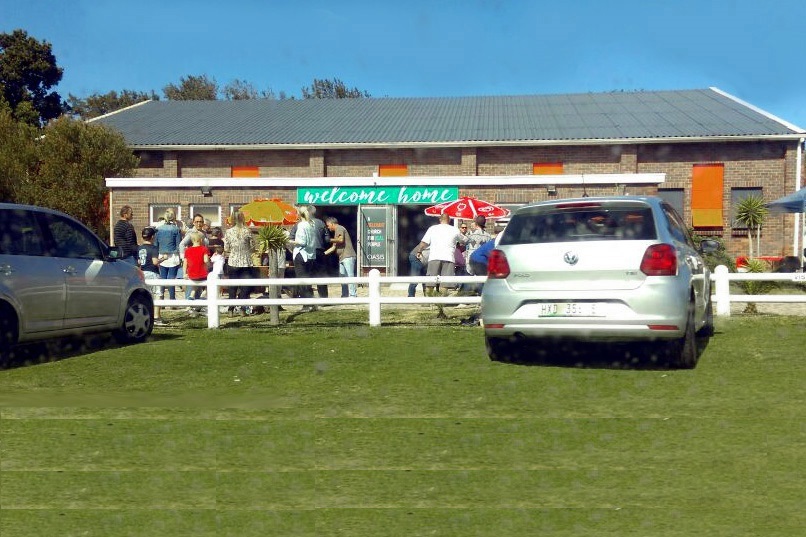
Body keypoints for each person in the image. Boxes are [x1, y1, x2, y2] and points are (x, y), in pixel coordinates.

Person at [413, 213, 466, 294]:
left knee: (430, 283)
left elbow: (424, 242)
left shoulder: (432, 228)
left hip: (434, 257)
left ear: (440, 220)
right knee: (445, 284)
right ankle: (440, 303)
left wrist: (419, 251)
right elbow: (463, 240)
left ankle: (429, 302)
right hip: (449, 258)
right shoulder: (455, 229)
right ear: (449, 220)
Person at [223, 210, 257, 316]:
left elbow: (226, 248)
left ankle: (231, 309)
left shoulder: (228, 232)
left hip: (233, 261)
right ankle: (242, 309)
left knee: (232, 287)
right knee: (245, 287)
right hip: (246, 262)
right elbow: (253, 247)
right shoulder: (247, 231)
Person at [460, 238, 496, 326]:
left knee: (485, 282)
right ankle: (486, 306)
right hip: (480, 259)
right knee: (488, 283)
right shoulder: (501, 242)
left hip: (474, 258)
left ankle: (483, 302)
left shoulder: (496, 241)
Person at [287, 205, 317, 311]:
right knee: (307, 280)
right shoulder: (311, 225)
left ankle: (306, 304)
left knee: (301, 281)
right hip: (310, 255)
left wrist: (288, 240)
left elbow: (302, 242)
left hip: (301, 254)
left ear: (299, 214)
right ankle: (312, 303)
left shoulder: (301, 225)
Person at [137, 226, 165, 326]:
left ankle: (146, 315)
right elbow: (154, 262)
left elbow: (139, 262)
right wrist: (163, 259)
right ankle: (157, 317)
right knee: (158, 294)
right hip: (153, 273)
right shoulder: (153, 248)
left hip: (143, 273)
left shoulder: (139, 248)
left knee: (146, 295)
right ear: (152, 237)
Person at [324, 216, 357, 298]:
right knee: (342, 276)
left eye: (328, 225)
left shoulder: (339, 228)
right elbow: (333, 247)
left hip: (348, 256)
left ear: (332, 223)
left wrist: (329, 239)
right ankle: (345, 294)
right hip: (342, 257)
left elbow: (341, 239)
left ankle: (353, 295)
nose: (328, 228)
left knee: (350, 276)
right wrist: (322, 254)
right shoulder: (336, 232)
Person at [179, 214, 210, 301]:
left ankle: (196, 307)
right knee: (192, 285)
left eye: (200, 221)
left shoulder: (203, 233)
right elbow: (182, 244)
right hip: (192, 261)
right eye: (197, 222)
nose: (199, 223)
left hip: (202, 262)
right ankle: (189, 306)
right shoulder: (191, 233)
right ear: (193, 222)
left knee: (199, 286)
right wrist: (183, 258)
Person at [154, 208, 182, 300]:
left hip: (161, 255)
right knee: (171, 278)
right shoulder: (176, 229)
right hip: (173, 256)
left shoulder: (158, 229)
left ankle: (160, 299)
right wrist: (181, 257)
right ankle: (172, 300)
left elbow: (156, 244)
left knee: (162, 278)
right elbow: (179, 244)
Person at [182, 231, 210, 317]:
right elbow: (205, 260)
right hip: (202, 273)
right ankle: (203, 294)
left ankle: (192, 295)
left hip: (191, 274)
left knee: (195, 284)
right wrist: (208, 262)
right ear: (201, 240)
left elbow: (185, 263)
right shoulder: (204, 249)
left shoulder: (187, 250)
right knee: (208, 285)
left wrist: (184, 274)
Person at [307, 205, 330, 299]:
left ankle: (308, 298)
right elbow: (327, 239)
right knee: (321, 275)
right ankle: (323, 298)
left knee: (306, 275)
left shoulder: (301, 223)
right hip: (319, 251)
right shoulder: (321, 223)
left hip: (307, 252)